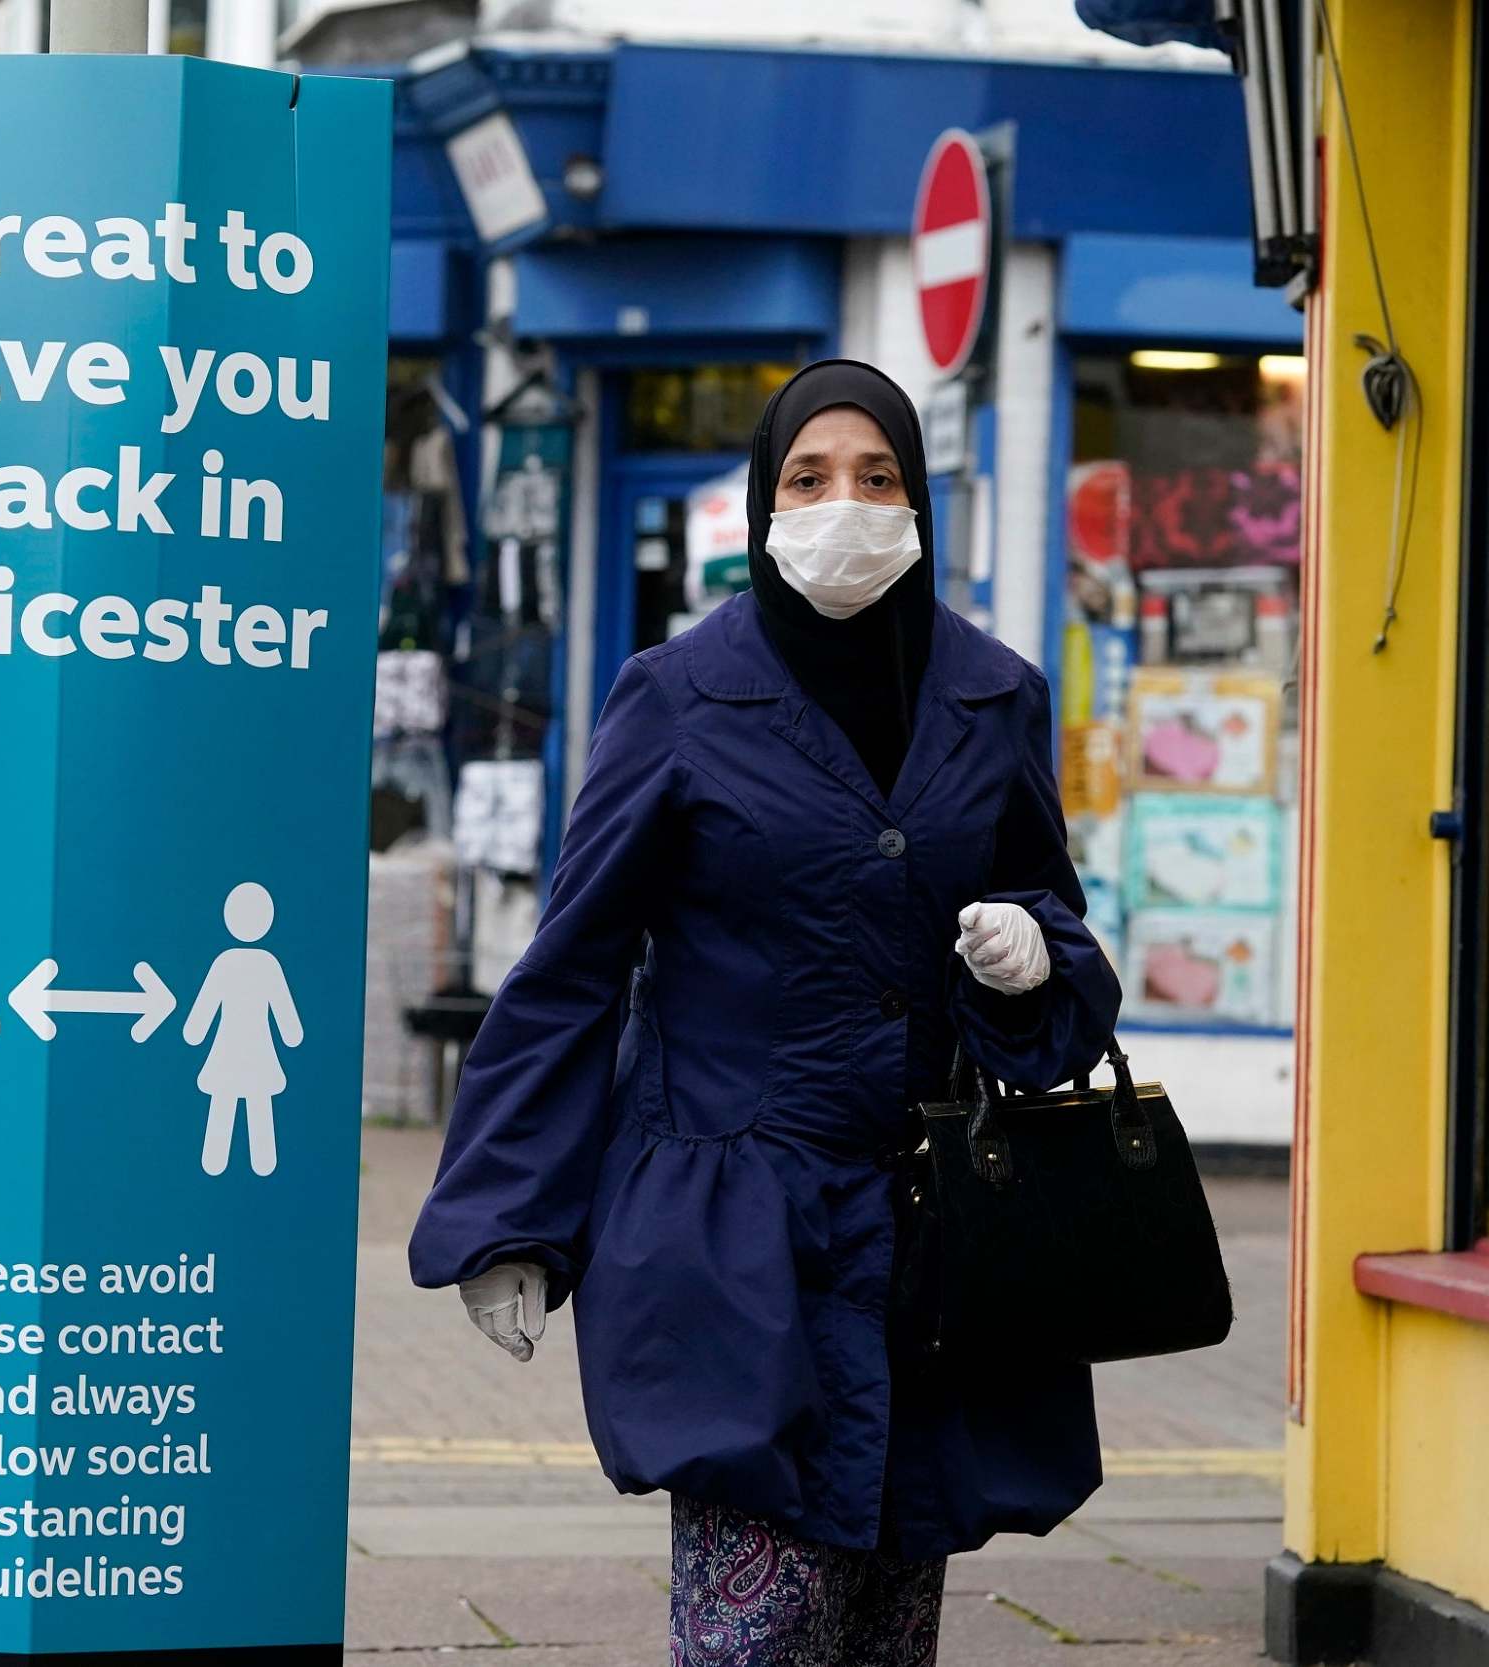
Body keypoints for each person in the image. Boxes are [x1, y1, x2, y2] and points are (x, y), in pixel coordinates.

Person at [410, 360, 1122, 1665]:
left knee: (886, 1620)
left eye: (876, 477)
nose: (842, 505)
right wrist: (508, 1219)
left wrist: (1032, 954)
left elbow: (1048, 913)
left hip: (931, 1236)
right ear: (762, 501)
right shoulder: (677, 694)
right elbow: (573, 963)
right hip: (728, 1227)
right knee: (759, 1623)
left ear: (918, 500)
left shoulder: (992, 691)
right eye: (808, 478)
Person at [183, 882, 303, 1178]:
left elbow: (202, 1012)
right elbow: (286, 1017)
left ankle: (215, 1161)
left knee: (223, 1101)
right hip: (259, 1052)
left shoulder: (225, 963)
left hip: (226, 1050)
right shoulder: (268, 964)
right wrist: (291, 1034)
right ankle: (263, 1163)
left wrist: (195, 1032)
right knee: (258, 1101)